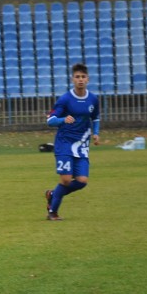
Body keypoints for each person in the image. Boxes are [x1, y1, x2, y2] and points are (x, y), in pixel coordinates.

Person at [44, 63, 100, 221]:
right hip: (64, 143)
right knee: (66, 179)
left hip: (82, 144)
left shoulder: (93, 99)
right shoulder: (65, 99)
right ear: (72, 79)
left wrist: (96, 133)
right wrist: (63, 119)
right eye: (77, 77)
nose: (80, 80)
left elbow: (95, 118)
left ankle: (53, 194)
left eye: (83, 77)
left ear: (88, 79)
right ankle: (52, 212)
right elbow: (50, 121)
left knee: (82, 181)